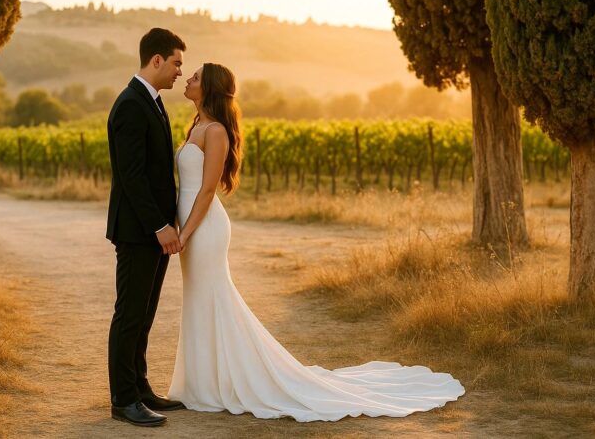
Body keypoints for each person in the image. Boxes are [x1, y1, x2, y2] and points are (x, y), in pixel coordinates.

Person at [168, 62, 465, 421]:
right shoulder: (196, 125)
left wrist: (185, 233)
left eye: (196, 76)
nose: (189, 79)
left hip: (205, 228)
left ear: (210, 87)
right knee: (198, 299)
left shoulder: (214, 131)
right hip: (190, 226)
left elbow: (208, 188)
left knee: (212, 297)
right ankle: (203, 383)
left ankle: (221, 383)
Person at [105, 28, 186, 427]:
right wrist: (159, 225)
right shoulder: (130, 105)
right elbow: (132, 176)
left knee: (146, 313)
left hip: (154, 233)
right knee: (130, 314)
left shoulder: (152, 102)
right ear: (156, 60)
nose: (178, 72)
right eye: (175, 63)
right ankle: (123, 400)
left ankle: (139, 387)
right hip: (139, 231)